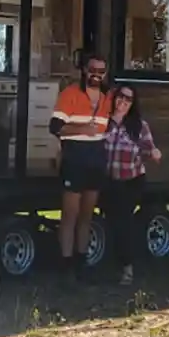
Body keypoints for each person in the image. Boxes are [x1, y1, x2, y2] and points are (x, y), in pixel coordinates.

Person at [48, 54, 113, 277]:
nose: (97, 74)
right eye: (93, 69)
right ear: (85, 70)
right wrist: (81, 130)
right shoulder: (70, 95)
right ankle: (65, 266)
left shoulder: (107, 99)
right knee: (70, 215)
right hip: (74, 161)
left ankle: (81, 263)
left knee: (87, 216)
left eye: (101, 71)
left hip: (96, 163)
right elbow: (55, 127)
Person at [103, 85, 162, 286]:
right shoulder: (104, 122)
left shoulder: (139, 125)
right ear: (114, 98)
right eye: (120, 97)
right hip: (109, 180)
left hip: (132, 180)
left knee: (123, 222)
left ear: (133, 104)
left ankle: (127, 269)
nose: (123, 101)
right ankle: (116, 263)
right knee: (112, 222)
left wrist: (154, 154)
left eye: (128, 99)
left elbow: (148, 149)